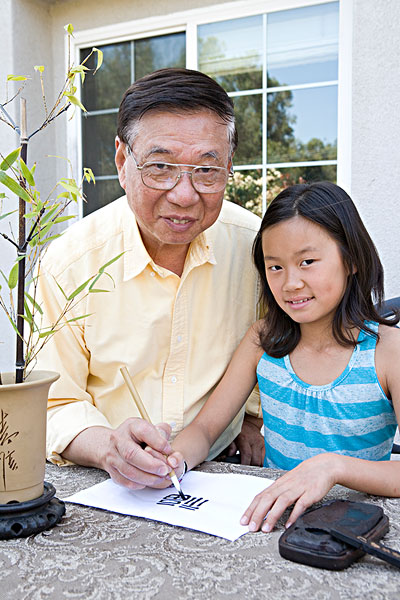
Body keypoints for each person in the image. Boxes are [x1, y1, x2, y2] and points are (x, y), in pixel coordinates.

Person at [35, 67, 264, 488]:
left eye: (207, 170)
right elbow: (50, 401)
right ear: (123, 162)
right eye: (161, 167)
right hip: (104, 480)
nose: (183, 193)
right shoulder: (71, 262)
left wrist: (251, 419)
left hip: (221, 473)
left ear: (229, 167)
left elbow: (281, 345)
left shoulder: (256, 250)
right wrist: (108, 447)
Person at [166, 181, 400, 532]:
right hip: (268, 523)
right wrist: (172, 461)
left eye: (307, 262)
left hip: (352, 530)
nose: (290, 283)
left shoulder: (387, 350)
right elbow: (205, 428)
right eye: (275, 267)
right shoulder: (264, 340)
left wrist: (331, 467)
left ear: (350, 259)